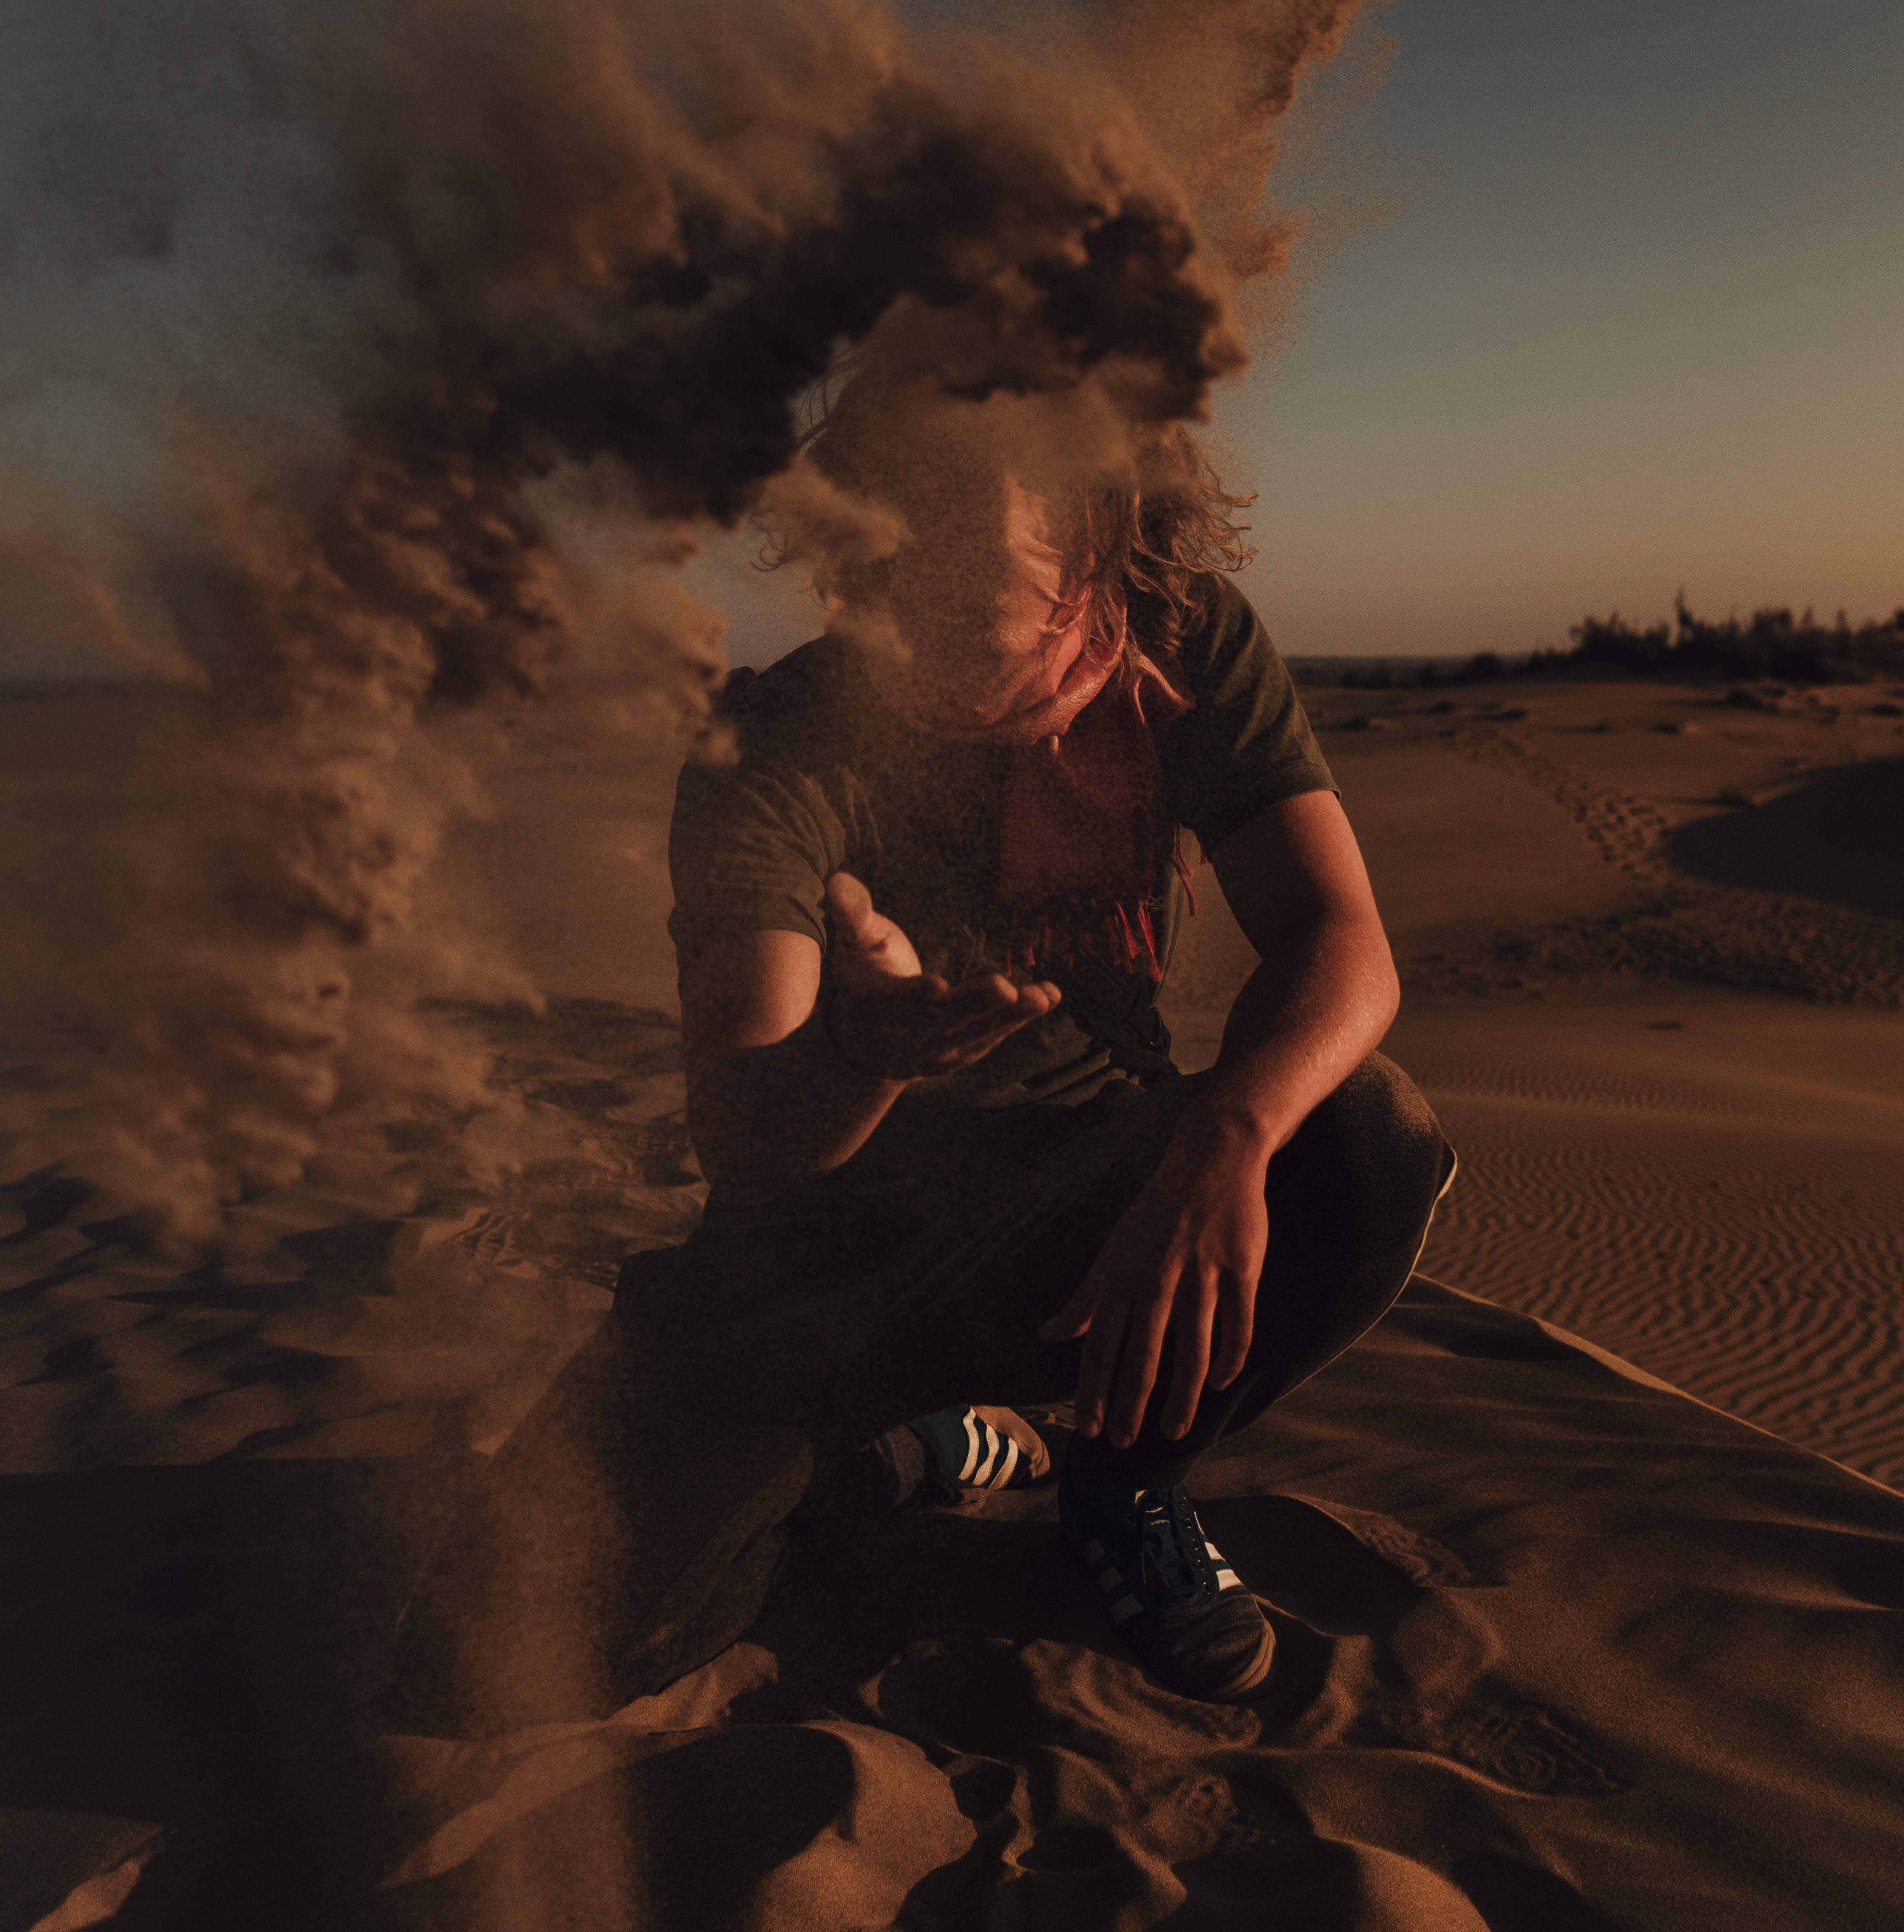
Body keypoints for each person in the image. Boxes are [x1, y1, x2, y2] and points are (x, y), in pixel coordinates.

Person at [391, 405, 1453, 1729]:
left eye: (1043, 476)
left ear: (1112, 499)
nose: (1003, 512)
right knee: (490, 1663)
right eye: (947, 483)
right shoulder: (780, 736)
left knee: (1367, 1137)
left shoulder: (1177, 647)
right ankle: (888, 1456)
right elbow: (749, 1141)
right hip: (825, 1251)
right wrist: (862, 1048)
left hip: (1088, 1216)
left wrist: (1226, 1141)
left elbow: (1341, 941)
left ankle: (1124, 1480)